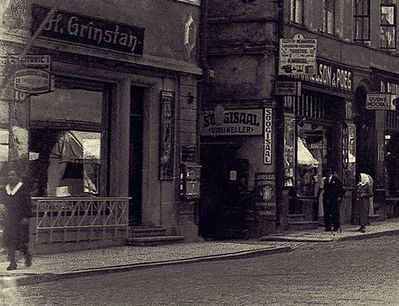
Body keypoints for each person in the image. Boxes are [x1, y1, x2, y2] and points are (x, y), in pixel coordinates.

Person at [0, 168, 32, 270]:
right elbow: (2, 201)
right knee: (10, 240)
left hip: (21, 218)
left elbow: (28, 204)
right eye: (9, 175)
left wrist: (26, 216)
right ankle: (12, 262)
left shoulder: (23, 189)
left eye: (13, 175)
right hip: (9, 218)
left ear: (18, 177)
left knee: (21, 240)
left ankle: (26, 253)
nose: (11, 177)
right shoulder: (6, 189)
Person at [322, 168, 344, 232]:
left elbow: (341, 189)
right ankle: (328, 227)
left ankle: (335, 226)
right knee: (327, 213)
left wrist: (339, 196)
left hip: (334, 199)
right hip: (327, 199)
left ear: (330, 173)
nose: (327, 174)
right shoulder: (326, 180)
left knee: (334, 213)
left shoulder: (336, 180)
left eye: (328, 173)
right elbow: (325, 189)